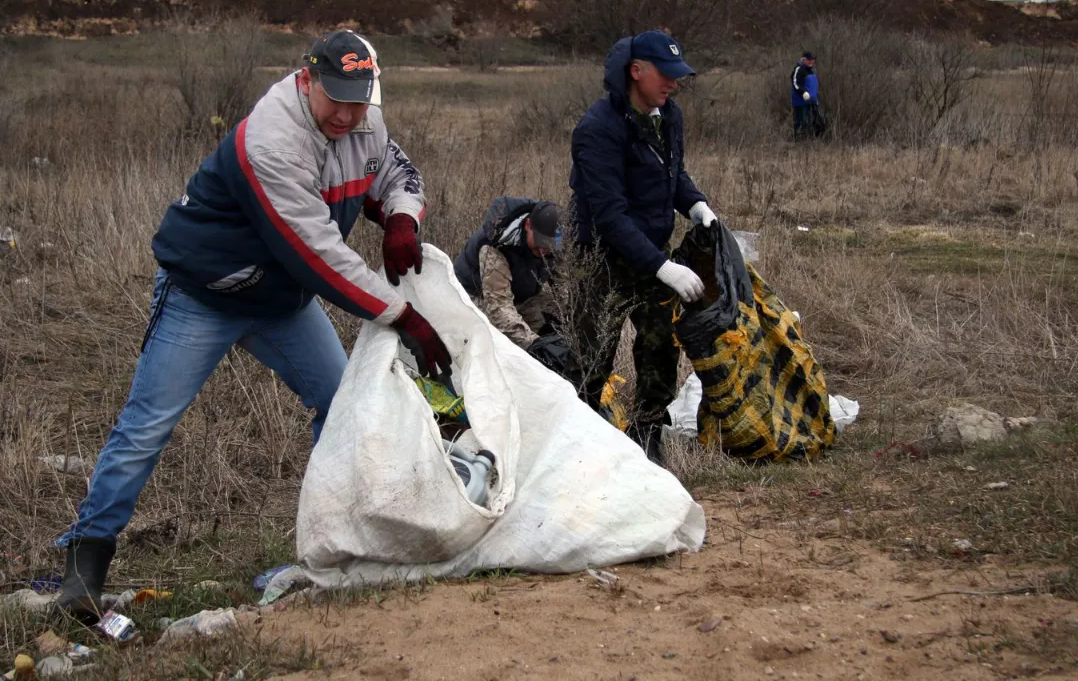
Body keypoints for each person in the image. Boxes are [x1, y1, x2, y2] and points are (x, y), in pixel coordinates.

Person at [54, 30, 453, 622]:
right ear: (306, 79)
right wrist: (403, 316)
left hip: (280, 300)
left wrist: (400, 217)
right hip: (207, 293)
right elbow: (316, 253)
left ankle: (339, 541)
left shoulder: (365, 120)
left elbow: (392, 170)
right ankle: (85, 564)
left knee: (341, 403)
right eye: (334, 98)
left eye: (359, 100)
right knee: (146, 428)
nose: (346, 114)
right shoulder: (270, 139)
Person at [568, 30, 718, 466]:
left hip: (652, 252)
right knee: (593, 356)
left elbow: (673, 174)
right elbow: (610, 216)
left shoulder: (668, 115)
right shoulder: (596, 130)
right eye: (666, 75)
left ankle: (647, 430)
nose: (674, 84)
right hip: (601, 260)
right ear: (637, 72)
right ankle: (581, 441)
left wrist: (696, 205)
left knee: (660, 346)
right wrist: (663, 267)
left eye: (678, 76)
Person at [453, 197, 560, 348]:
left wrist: (563, 325)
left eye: (549, 245)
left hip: (520, 295)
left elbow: (565, 289)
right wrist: (535, 345)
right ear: (528, 225)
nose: (543, 250)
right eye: (540, 241)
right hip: (476, 296)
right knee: (501, 343)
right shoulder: (496, 246)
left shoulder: (556, 240)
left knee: (550, 331)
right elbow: (499, 307)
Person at [791, 51, 822, 140]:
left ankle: (811, 140)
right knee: (802, 122)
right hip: (800, 102)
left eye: (812, 60)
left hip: (812, 101)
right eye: (809, 60)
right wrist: (803, 92)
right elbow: (795, 83)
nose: (811, 62)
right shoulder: (799, 69)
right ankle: (799, 142)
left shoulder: (812, 70)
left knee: (814, 122)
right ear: (803, 59)